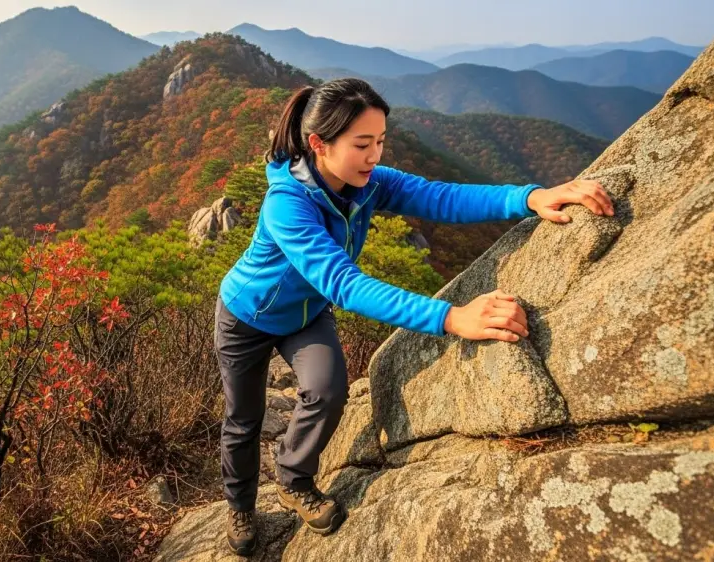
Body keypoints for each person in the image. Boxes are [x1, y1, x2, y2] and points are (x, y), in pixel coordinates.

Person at [214, 78, 614, 556]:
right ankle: (240, 504)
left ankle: (293, 478)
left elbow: (439, 197)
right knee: (244, 420)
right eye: (362, 144)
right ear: (319, 144)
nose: (375, 156)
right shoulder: (288, 203)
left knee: (327, 390)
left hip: (306, 315)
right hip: (247, 317)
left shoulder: (368, 184)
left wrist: (528, 197)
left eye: (381, 141)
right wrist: (450, 318)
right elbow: (343, 283)